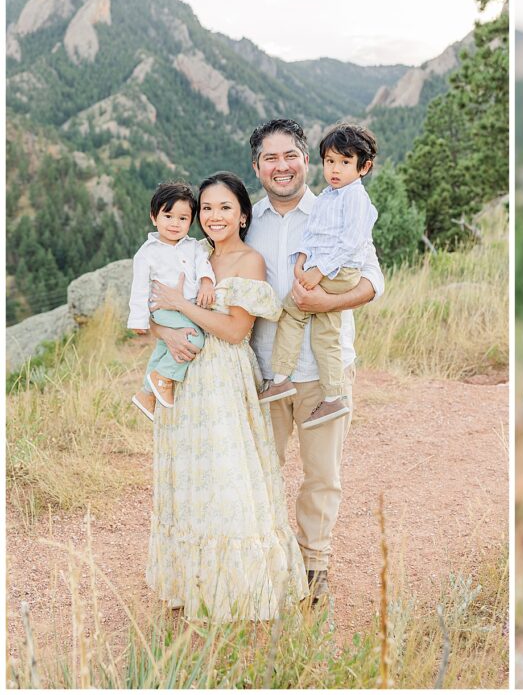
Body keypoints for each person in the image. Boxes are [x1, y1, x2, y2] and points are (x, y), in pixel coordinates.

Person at [146, 171, 308, 620]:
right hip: (184, 374)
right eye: (208, 209)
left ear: (242, 216)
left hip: (222, 378)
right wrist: (166, 330)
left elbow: (236, 331)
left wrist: (183, 307)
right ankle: (193, 582)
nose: (214, 217)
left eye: (225, 208)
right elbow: (154, 308)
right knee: (189, 474)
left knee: (227, 473)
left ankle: (241, 586)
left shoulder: (248, 262)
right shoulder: (190, 254)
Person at [259, 123, 379, 430]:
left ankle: (321, 391)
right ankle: (304, 386)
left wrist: (322, 284)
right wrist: (301, 261)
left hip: (337, 275)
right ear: (256, 166)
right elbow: (312, 236)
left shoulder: (355, 200)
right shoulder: (249, 218)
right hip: (259, 367)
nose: (335, 169)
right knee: (317, 327)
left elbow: (361, 259)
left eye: (344, 162)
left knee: (302, 316)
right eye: (331, 162)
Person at [128, 181, 215, 419]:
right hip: (163, 308)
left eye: (183, 218)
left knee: (163, 347)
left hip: (185, 306)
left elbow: (202, 264)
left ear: (191, 221)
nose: (175, 223)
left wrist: (207, 281)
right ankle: (163, 377)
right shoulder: (147, 253)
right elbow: (139, 289)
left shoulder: (193, 247)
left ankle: (146, 393)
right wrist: (139, 320)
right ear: (154, 217)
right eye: (168, 216)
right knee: (194, 338)